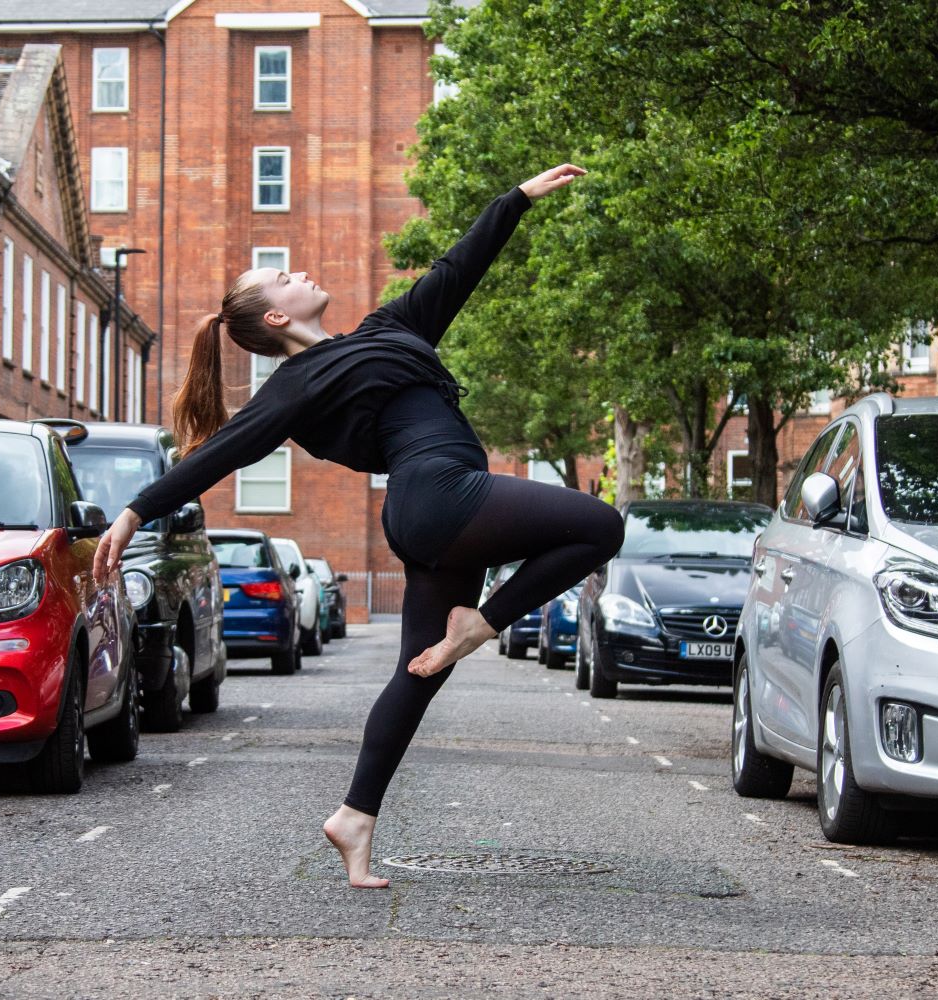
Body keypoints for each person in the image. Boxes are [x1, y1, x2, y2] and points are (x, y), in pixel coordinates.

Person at [94, 163, 624, 888]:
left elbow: (455, 271)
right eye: (282, 278)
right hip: (441, 494)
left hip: (426, 512)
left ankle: (355, 819)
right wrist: (134, 511)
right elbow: (221, 450)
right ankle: (485, 623)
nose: (301, 272)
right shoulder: (295, 388)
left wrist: (516, 199)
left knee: (418, 674)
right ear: (274, 318)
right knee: (599, 526)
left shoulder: (386, 328)